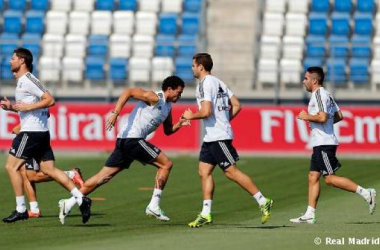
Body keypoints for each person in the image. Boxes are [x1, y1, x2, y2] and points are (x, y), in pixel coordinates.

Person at [58, 75, 188, 225]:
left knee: (103, 177)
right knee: (166, 164)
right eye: (179, 92)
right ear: (169, 89)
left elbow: (168, 130)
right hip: (132, 139)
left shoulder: (168, 107)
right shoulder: (154, 97)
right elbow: (129, 91)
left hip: (126, 141)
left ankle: (68, 203)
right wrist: (115, 113)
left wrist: (180, 124)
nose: (180, 95)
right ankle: (154, 205)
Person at [0, 48, 91, 224]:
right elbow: (37, 105)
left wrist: (27, 108)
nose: (10, 61)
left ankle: (21, 209)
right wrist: (12, 108)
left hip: (32, 133)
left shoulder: (28, 80)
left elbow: (50, 100)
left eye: (13, 58)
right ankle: (81, 198)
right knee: (49, 170)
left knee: (11, 167)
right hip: (40, 133)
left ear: (22, 61)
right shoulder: (22, 82)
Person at [182, 53, 273, 228]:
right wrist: (224, 119)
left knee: (231, 172)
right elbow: (237, 104)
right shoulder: (218, 82)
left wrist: (190, 116)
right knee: (204, 171)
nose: (192, 68)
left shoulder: (204, 84)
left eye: (193, 65)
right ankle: (206, 213)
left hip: (218, 137)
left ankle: (263, 200)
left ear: (201, 66)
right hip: (212, 136)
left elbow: (206, 111)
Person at [290, 67, 376, 224]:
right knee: (312, 176)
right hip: (320, 142)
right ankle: (310, 214)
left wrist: (306, 116)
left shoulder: (319, 94)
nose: (304, 81)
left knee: (329, 179)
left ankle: (366, 192)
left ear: (314, 80)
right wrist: (324, 124)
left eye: (306, 78)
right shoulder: (326, 94)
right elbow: (339, 116)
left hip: (324, 143)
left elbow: (323, 117)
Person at [11, 124, 85, 218]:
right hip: (35, 137)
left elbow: (25, 123)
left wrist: (20, 127)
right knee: (29, 175)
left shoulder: (31, 113)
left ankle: (70, 174)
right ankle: (34, 209)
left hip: (32, 139)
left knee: (29, 174)